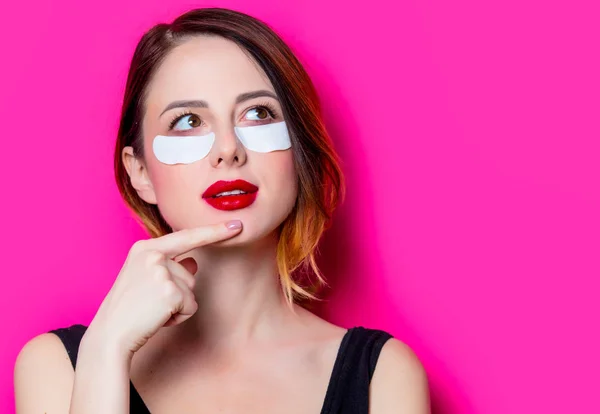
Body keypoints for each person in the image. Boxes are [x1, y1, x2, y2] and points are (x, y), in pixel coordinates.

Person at [14, 7, 430, 414]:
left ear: (299, 152)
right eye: (187, 121)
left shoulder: (382, 375)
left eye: (258, 113)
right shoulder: (59, 367)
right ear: (140, 171)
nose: (228, 149)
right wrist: (106, 350)